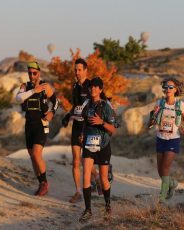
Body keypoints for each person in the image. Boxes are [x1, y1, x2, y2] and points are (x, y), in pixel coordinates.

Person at [15, 61, 59, 196]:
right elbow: (18, 98)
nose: (32, 75)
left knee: (36, 153)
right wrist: (34, 90)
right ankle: (41, 183)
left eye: (34, 73)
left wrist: (52, 112)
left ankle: (45, 183)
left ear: (39, 73)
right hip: (29, 124)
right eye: (29, 73)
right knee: (32, 156)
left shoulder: (46, 86)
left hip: (41, 124)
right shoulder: (25, 86)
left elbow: (56, 102)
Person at [61, 58, 101, 203]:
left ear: (85, 70)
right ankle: (78, 191)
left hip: (88, 127)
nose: (76, 72)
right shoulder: (74, 86)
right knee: (76, 161)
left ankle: (97, 178)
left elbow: (96, 106)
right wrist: (67, 116)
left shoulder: (91, 86)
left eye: (79, 70)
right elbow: (76, 106)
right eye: (75, 70)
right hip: (77, 126)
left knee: (86, 161)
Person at [78, 77, 117, 223]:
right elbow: (84, 123)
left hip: (103, 146)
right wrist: (82, 134)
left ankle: (108, 207)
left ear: (100, 89)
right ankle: (88, 210)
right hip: (88, 144)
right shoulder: (87, 104)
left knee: (103, 179)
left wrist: (102, 122)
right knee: (86, 174)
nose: (93, 89)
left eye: (96, 87)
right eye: (91, 87)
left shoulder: (106, 106)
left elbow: (113, 129)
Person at [149, 78, 184, 203]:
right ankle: (172, 184)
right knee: (160, 171)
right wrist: (153, 117)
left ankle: (162, 198)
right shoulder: (160, 103)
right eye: (166, 87)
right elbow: (150, 122)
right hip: (160, 138)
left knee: (165, 168)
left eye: (171, 87)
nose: (168, 89)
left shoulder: (180, 105)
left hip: (173, 140)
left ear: (176, 89)